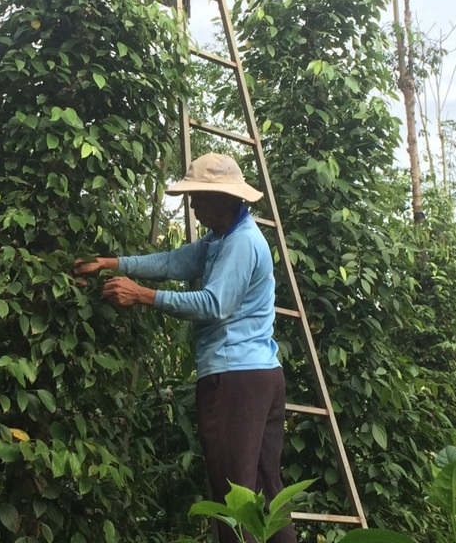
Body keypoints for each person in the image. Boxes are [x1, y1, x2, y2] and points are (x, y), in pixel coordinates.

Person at [73, 153, 296, 543]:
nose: (192, 205)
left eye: (198, 196)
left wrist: (142, 296)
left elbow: (214, 304)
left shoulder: (242, 243)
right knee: (264, 493)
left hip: (235, 379)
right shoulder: (220, 239)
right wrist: (112, 263)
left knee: (233, 497)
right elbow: (174, 261)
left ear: (224, 198)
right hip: (260, 376)